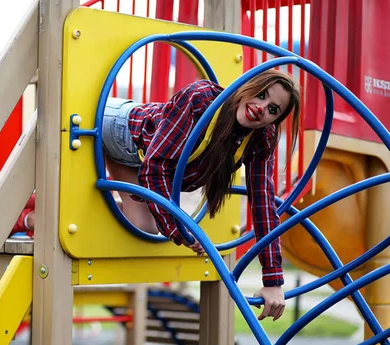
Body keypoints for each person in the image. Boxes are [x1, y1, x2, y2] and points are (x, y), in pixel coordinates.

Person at [101, 69, 301, 321]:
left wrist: (273, 279)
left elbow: (263, 203)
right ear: (246, 86)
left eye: (273, 109)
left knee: (143, 226)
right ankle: (35, 218)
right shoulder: (201, 99)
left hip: (139, 157)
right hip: (114, 128)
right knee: (141, 216)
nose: (261, 108)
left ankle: (41, 218)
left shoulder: (260, 137)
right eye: (261, 95)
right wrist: (179, 229)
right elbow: (156, 168)